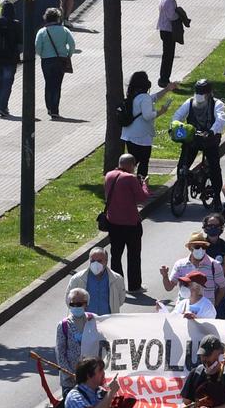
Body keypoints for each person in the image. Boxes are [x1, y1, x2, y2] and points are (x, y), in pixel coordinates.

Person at [171, 79, 225, 203]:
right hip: (192, 138)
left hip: (209, 139)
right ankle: (181, 190)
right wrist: (175, 126)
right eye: (198, 92)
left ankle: (217, 197)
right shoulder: (190, 102)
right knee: (182, 165)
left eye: (203, 93)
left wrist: (212, 131)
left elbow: (221, 119)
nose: (200, 95)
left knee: (214, 167)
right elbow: (177, 115)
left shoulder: (217, 104)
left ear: (209, 93)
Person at [101, 154, 150, 292]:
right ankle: (134, 286)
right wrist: (145, 184)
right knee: (133, 255)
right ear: (131, 165)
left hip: (113, 222)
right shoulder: (130, 178)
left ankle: (118, 286)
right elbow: (142, 197)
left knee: (116, 255)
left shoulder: (109, 175)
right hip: (131, 223)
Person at [35, 6, 77, 118]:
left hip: (47, 60)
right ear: (58, 18)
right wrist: (68, 54)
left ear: (46, 18)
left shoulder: (42, 31)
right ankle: (55, 109)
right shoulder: (64, 30)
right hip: (60, 60)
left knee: (48, 84)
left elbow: (37, 47)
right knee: (57, 85)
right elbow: (72, 45)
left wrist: (43, 54)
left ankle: (49, 107)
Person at [67, 244, 127, 315]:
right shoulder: (77, 279)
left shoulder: (117, 279)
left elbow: (120, 300)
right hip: (84, 322)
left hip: (108, 320)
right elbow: (69, 300)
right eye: (92, 261)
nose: (95, 264)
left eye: (99, 261)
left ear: (106, 261)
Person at [120, 71, 159, 174]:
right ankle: (141, 186)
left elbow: (152, 98)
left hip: (129, 134)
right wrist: (159, 112)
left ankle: (126, 182)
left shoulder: (132, 95)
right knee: (143, 162)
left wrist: (167, 90)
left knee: (132, 162)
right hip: (142, 135)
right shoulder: (145, 97)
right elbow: (147, 116)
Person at [155, 0, 187, 89]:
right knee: (168, 56)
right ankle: (164, 79)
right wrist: (180, 15)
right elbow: (171, 16)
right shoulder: (169, 1)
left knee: (167, 55)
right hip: (168, 30)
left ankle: (164, 78)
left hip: (164, 29)